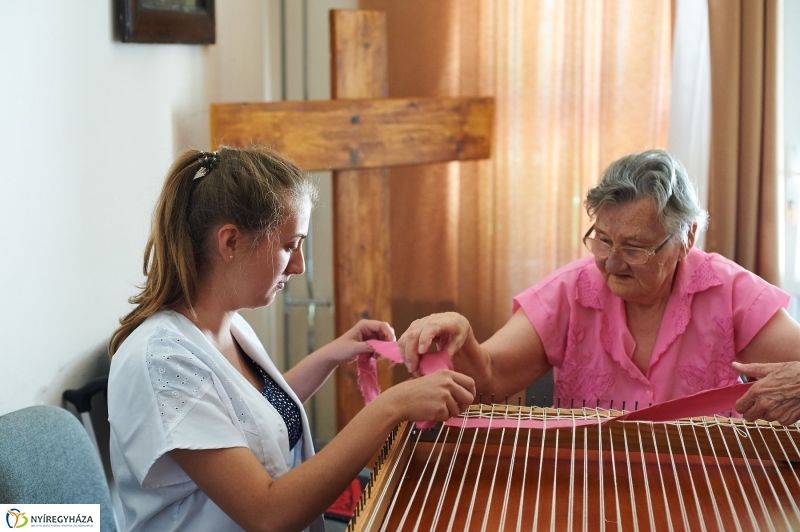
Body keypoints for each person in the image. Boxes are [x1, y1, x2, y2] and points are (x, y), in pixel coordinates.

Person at [107, 146, 475, 532]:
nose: (297, 265)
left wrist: (332, 355)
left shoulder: (226, 325)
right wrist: (391, 408)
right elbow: (267, 514)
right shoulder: (162, 361)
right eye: (288, 246)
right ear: (230, 242)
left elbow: (253, 415)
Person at [399, 149, 800, 418]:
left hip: (707, 493)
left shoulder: (730, 294)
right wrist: (464, 336)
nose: (610, 261)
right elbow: (487, 378)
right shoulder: (569, 292)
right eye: (603, 238)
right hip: (588, 490)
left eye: (635, 247)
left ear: (686, 239)